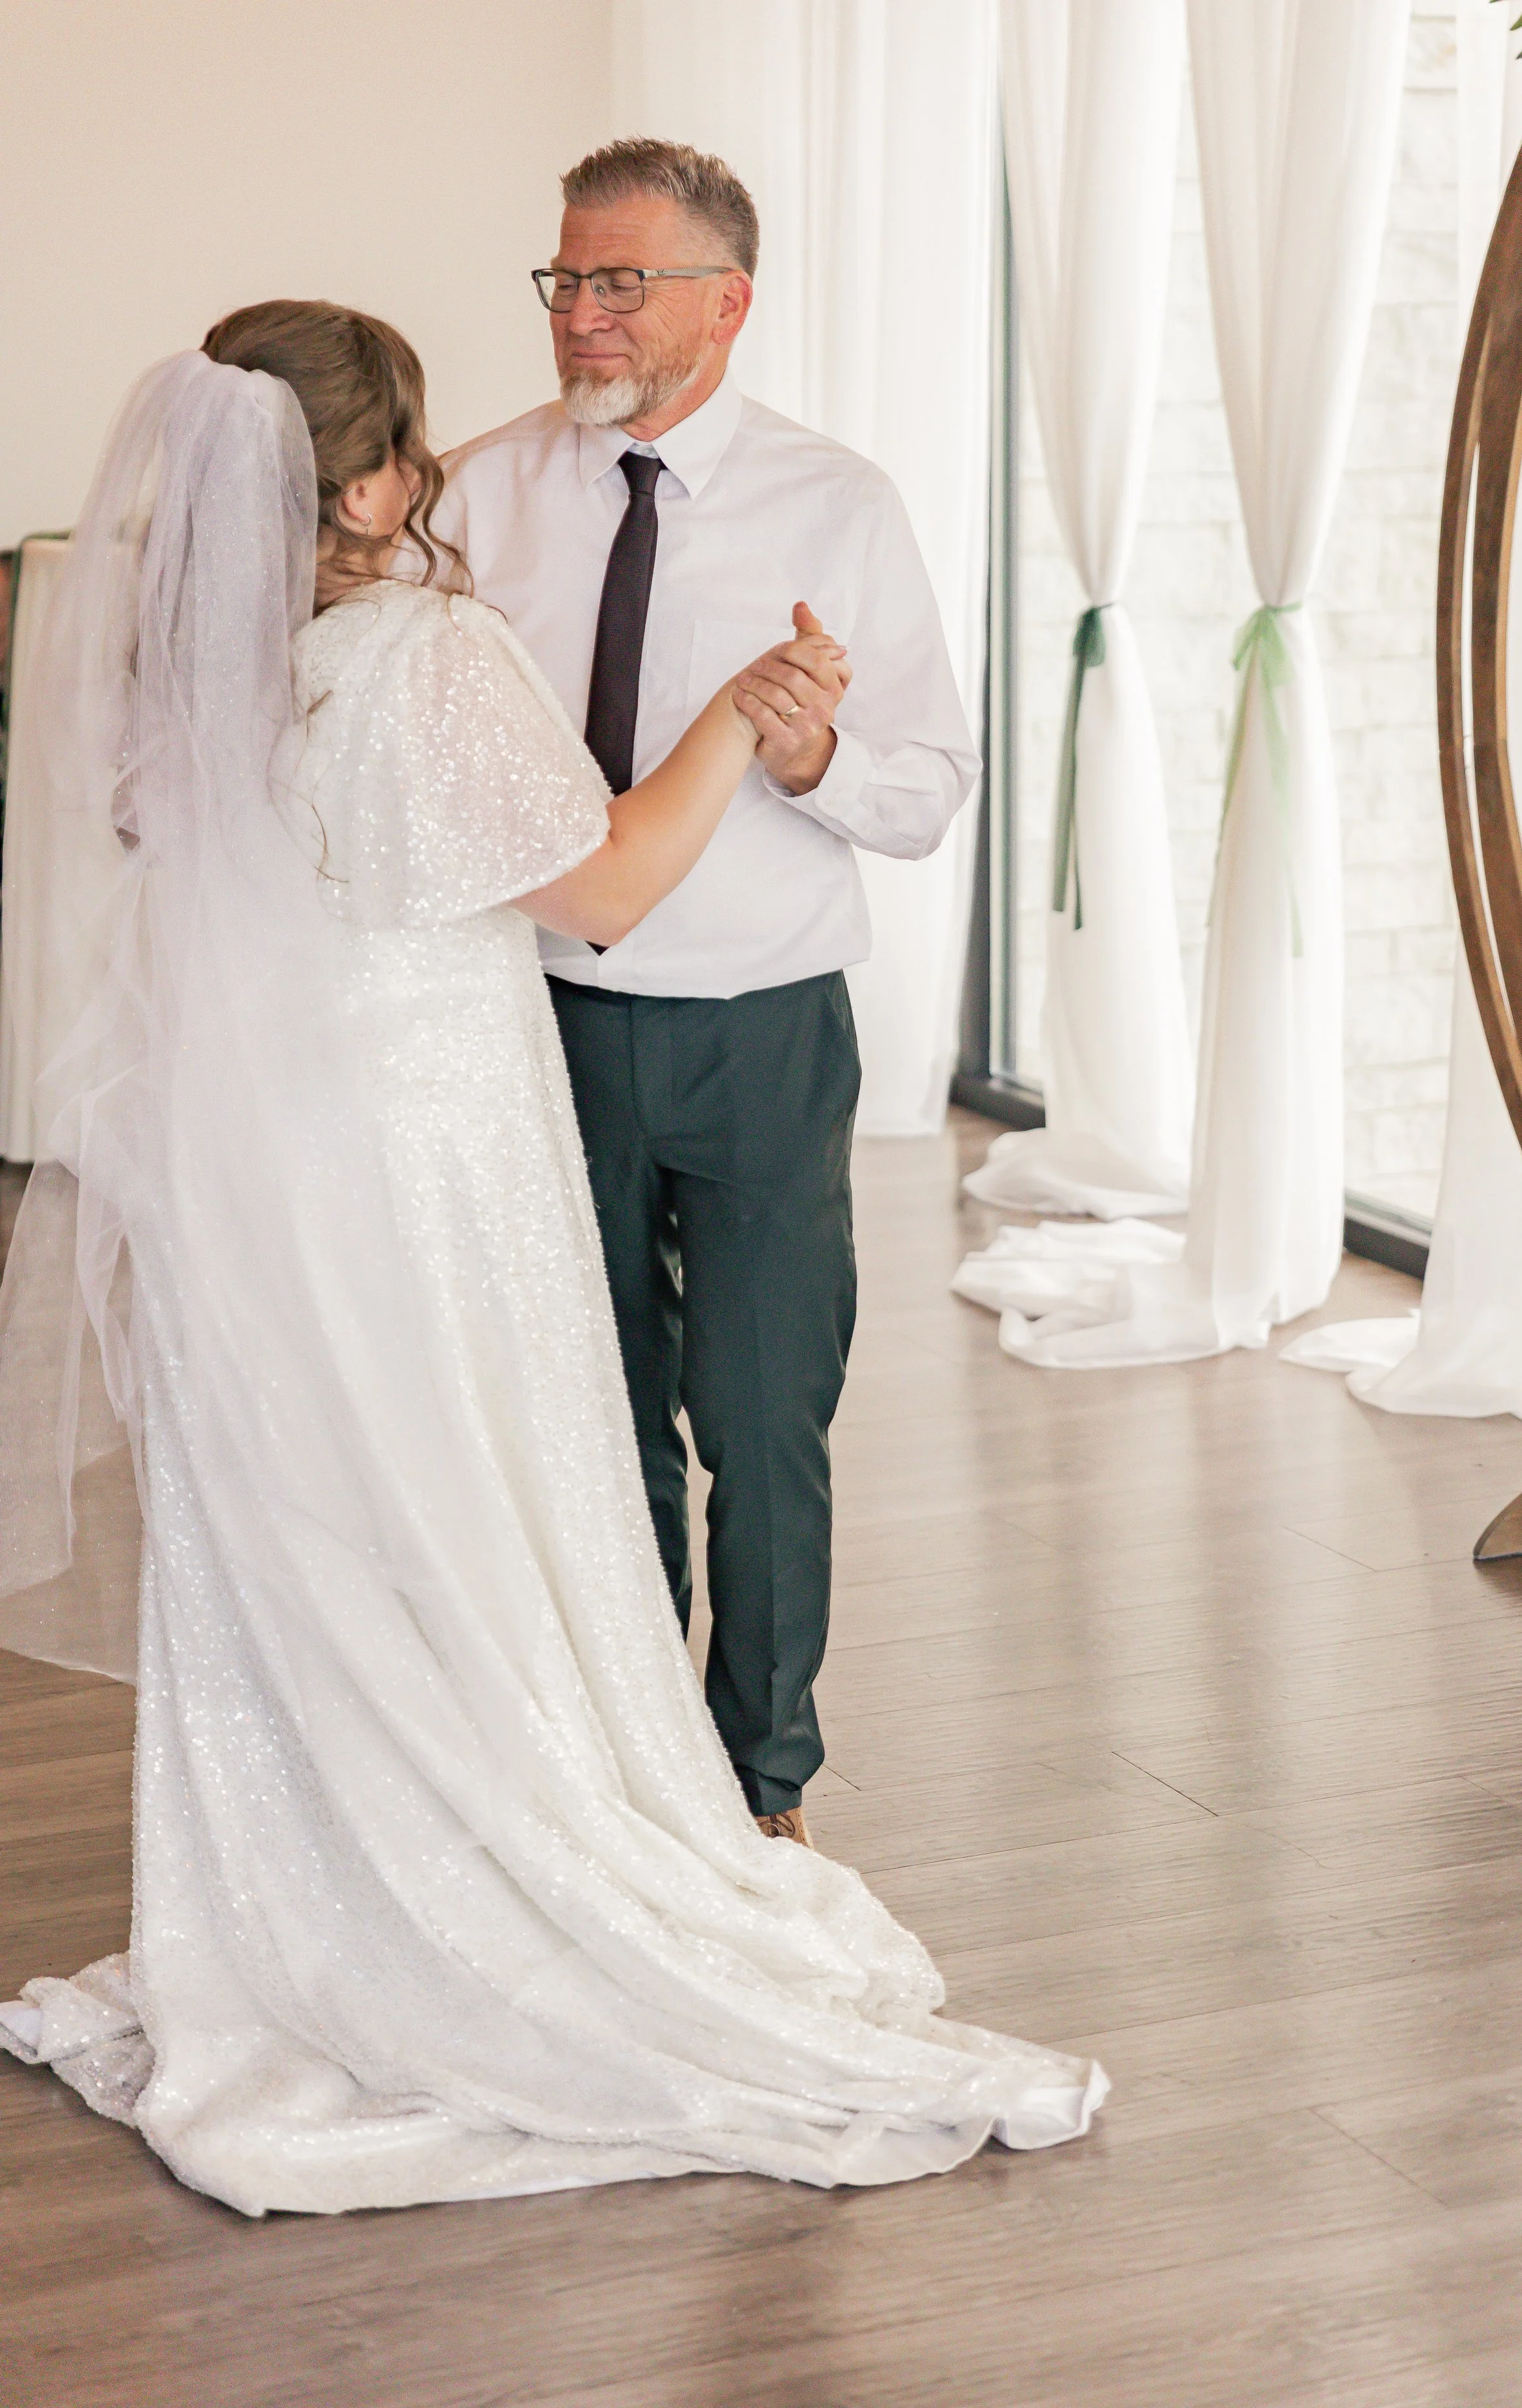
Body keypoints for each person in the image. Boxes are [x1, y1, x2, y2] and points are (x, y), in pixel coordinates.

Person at [0, 306, 1105, 2216]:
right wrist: (720, 725)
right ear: (357, 484)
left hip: (256, 1170)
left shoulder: (200, 670)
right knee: (473, 1506)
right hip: (421, 1160)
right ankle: (496, 1890)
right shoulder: (425, 651)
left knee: (314, 1534)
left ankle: (296, 1911)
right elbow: (595, 882)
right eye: (408, 449)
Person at [435, 141, 980, 1843]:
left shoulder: (841, 503)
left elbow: (928, 784)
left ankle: (760, 1788)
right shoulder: (475, 494)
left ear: (725, 303)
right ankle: (619, 1765)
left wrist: (815, 751)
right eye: (565, 281)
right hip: (530, 1025)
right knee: (587, 1424)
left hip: (760, 1031)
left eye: (620, 285)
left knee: (759, 1419)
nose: (580, 317)